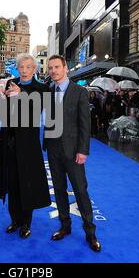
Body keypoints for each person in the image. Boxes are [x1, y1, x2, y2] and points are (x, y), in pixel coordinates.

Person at [43, 55, 101, 252]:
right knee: (58, 190)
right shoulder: (48, 92)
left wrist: (83, 150)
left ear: (65, 68)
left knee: (80, 191)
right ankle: (65, 226)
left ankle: (90, 232)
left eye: (57, 67)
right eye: (50, 68)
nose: (53, 71)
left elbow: (85, 124)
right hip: (53, 149)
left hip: (73, 151)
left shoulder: (79, 91)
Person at [0, 54, 51, 239]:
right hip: (9, 142)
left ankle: (26, 223)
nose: (24, 70)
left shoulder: (42, 88)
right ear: (17, 68)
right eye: (21, 67)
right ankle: (15, 220)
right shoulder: (10, 83)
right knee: (12, 182)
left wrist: (22, 95)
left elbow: (37, 111)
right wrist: (0, 95)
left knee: (27, 183)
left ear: (34, 69)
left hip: (28, 144)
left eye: (28, 67)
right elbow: (1, 112)